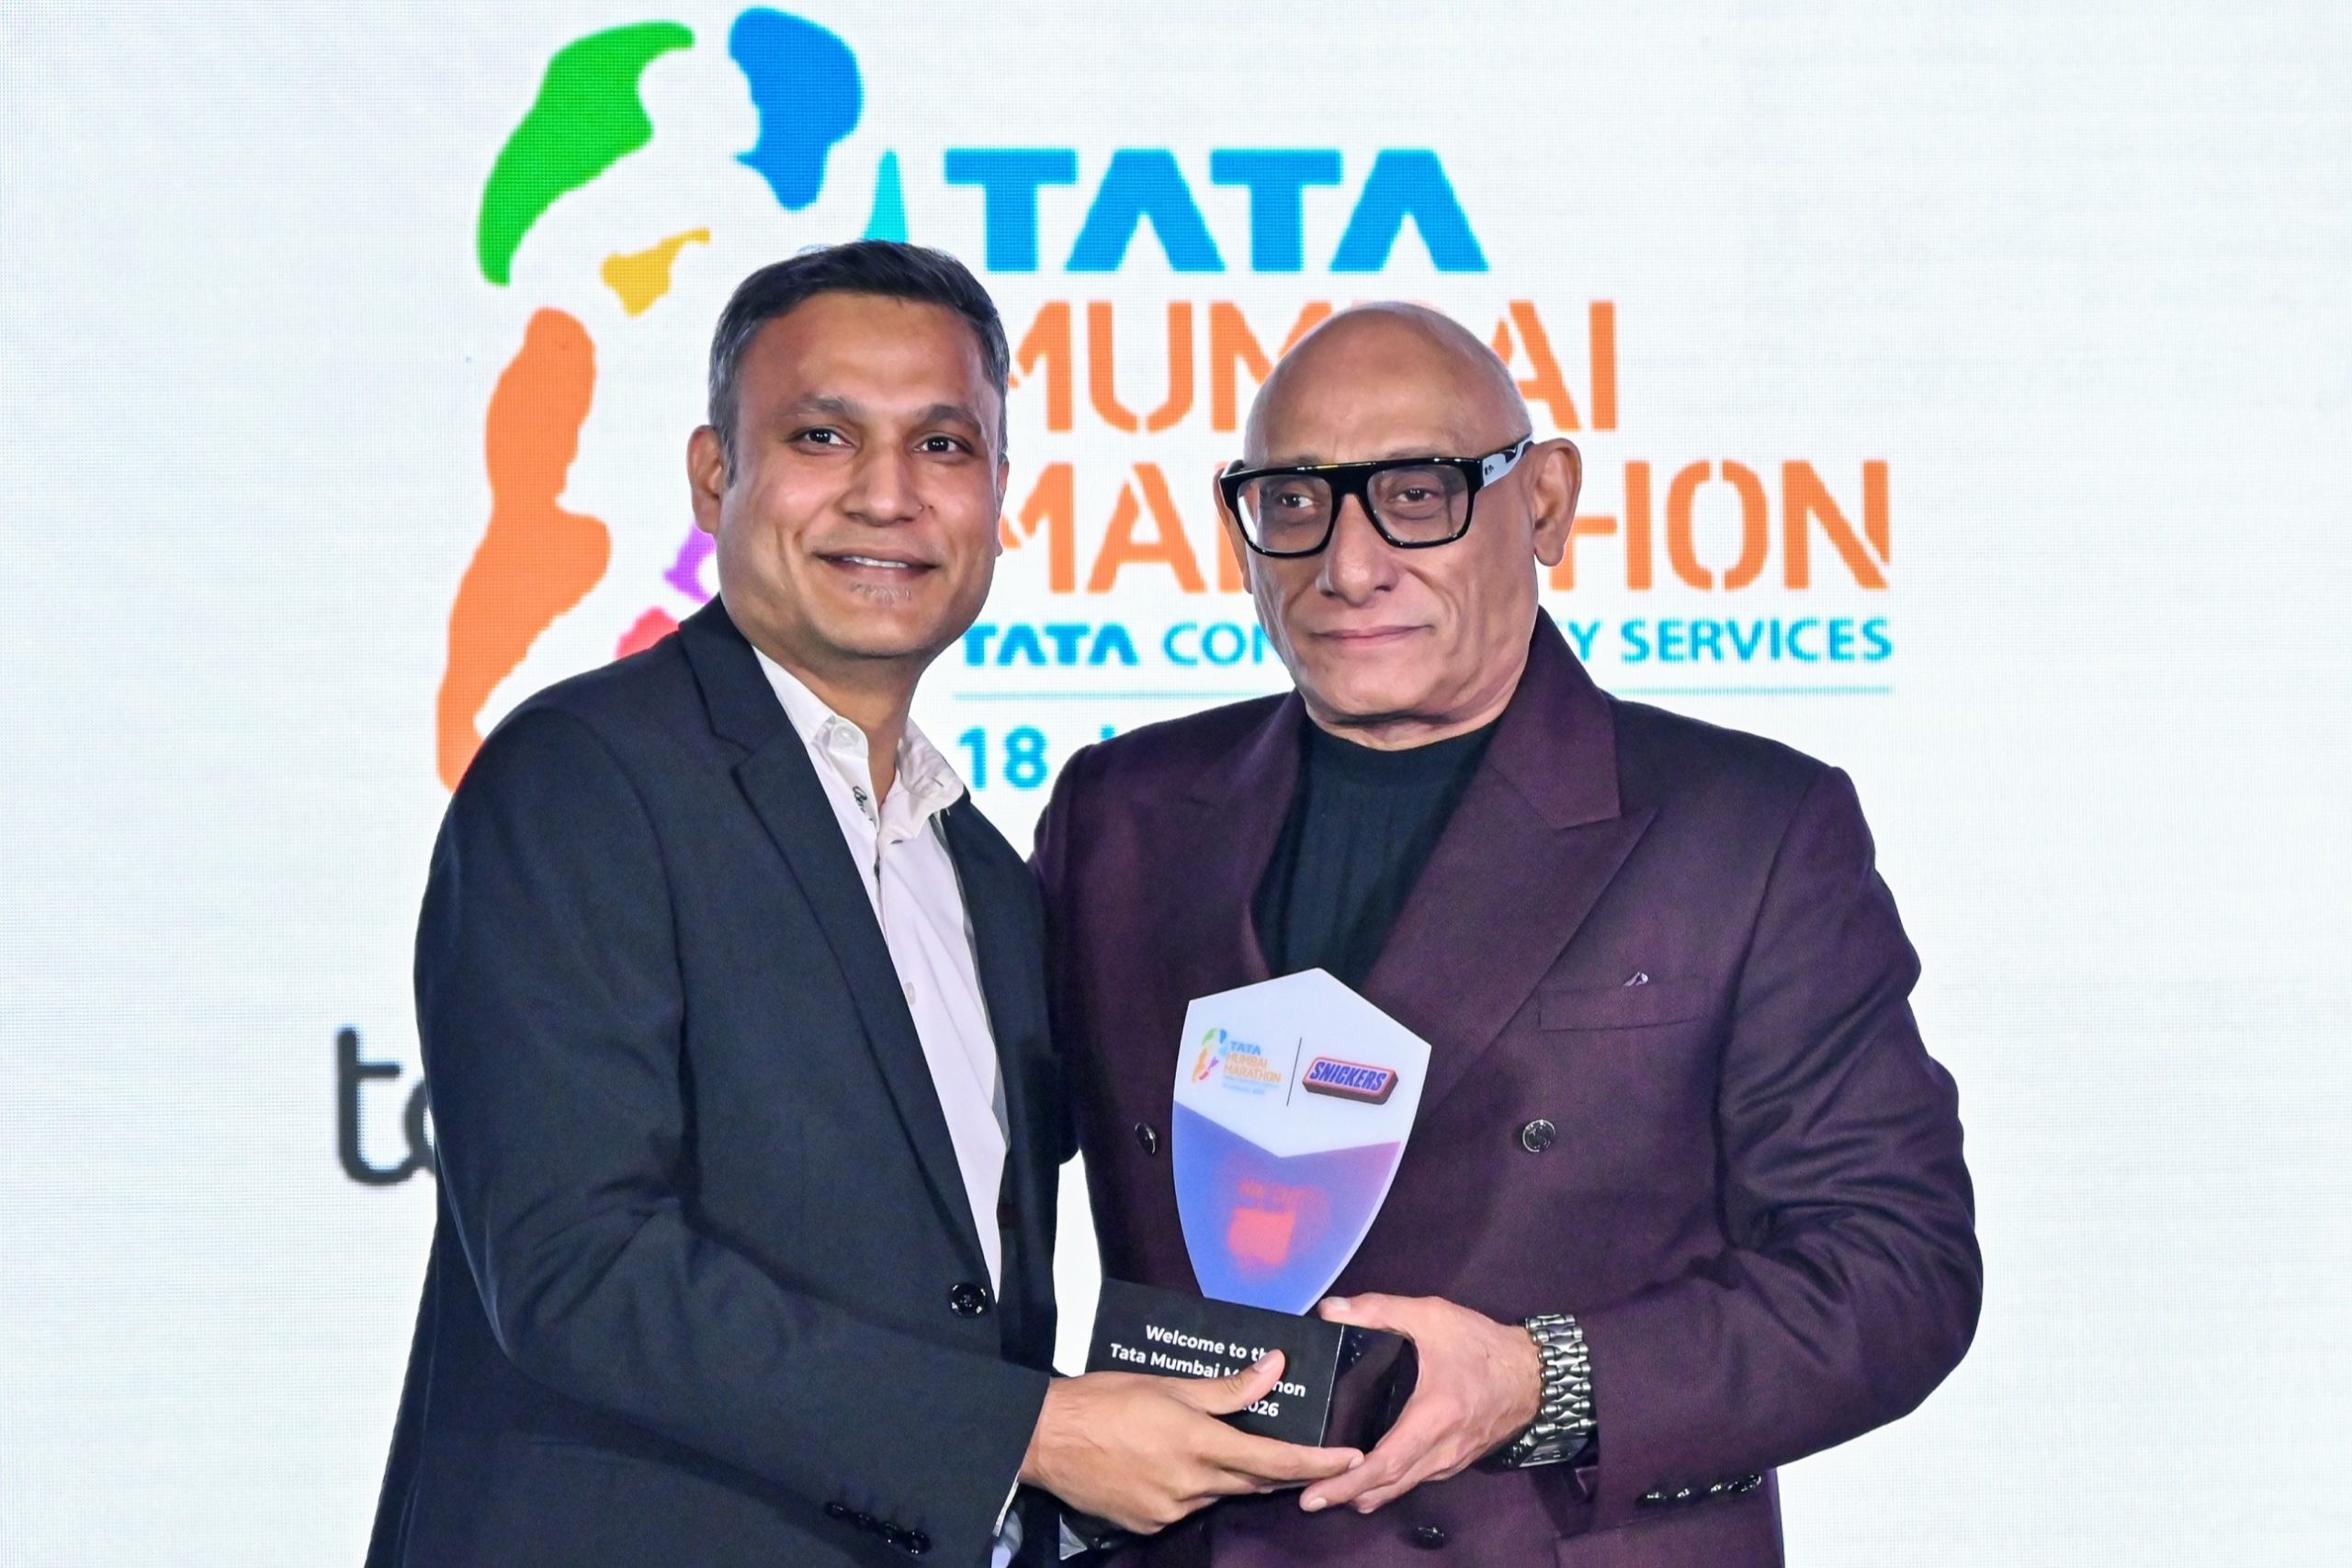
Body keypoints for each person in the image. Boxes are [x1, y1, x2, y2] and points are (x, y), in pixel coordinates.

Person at [367, 242, 1359, 1568]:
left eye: (943, 445)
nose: (888, 496)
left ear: (999, 495)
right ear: (714, 475)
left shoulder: (988, 875)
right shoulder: (586, 779)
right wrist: (1027, 1435)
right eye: (823, 436)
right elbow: (579, 1268)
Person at [1033, 303, 1981, 1564]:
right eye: (1295, 501)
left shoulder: (1747, 829)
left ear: (1544, 501)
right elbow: (955, 1170)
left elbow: (1897, 1271)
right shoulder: (1123, 813)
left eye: (1415, 495)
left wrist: (1546, 1381)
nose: (1349, 565)